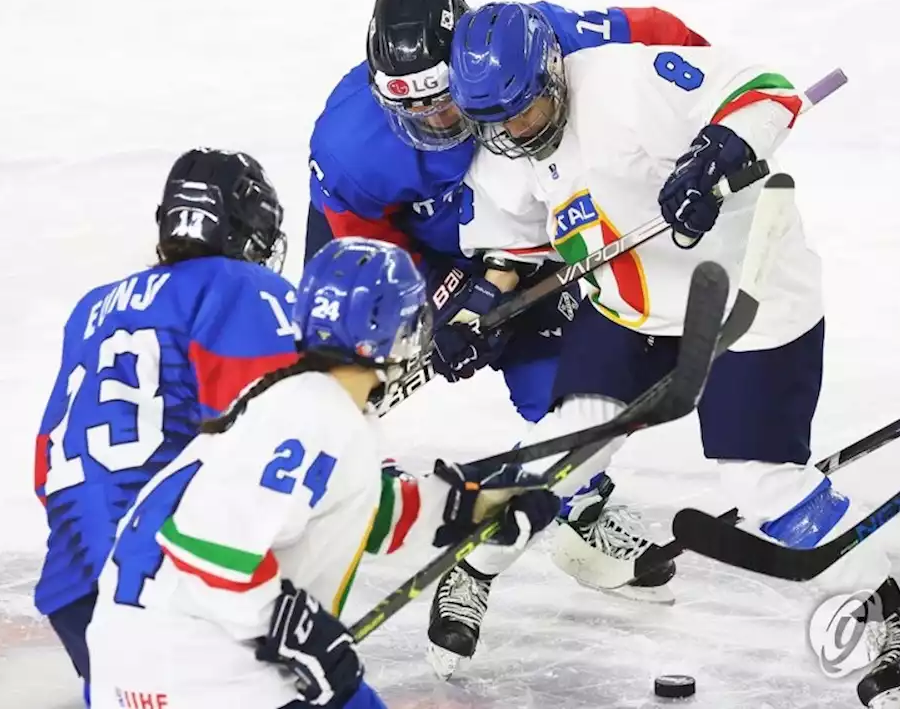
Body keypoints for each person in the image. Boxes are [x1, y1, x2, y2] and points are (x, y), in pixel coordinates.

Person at [442, 1, 900, 708]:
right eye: (493, 121)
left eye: (523, 110)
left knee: (764, 483)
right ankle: (472, 572)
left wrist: (716, 152)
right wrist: (479, 306)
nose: (511, 132)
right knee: (561, 452)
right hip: (627, 310)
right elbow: (512, 243)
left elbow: (767, 90)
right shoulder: (508, 144)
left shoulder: (629, 83)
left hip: (747, 298)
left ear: (552, 73)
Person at [86, 237, 560, 709]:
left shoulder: (306, 401)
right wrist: (301, 636)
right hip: (192, 676)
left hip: (149, 666)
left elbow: (363, 511)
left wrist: (473, 508)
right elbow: (211, 549)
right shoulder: (314, 414)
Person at [305, 0, 708, 421]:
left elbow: (660, 35)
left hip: (529, 221)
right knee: (341, 354)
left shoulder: (524, 45)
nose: (437, 123)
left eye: (445, 101)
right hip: (424, 240)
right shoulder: (349, 147)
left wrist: (710, 122)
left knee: (556, 385)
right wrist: (440, 309)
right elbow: (370, 255)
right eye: (415, 112)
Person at [33, 147, 295, 699]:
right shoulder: (241, 287)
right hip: (164, 571)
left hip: (73, 576)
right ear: (247, 229)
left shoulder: (92, 308)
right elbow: (268, 426)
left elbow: (44, 463)